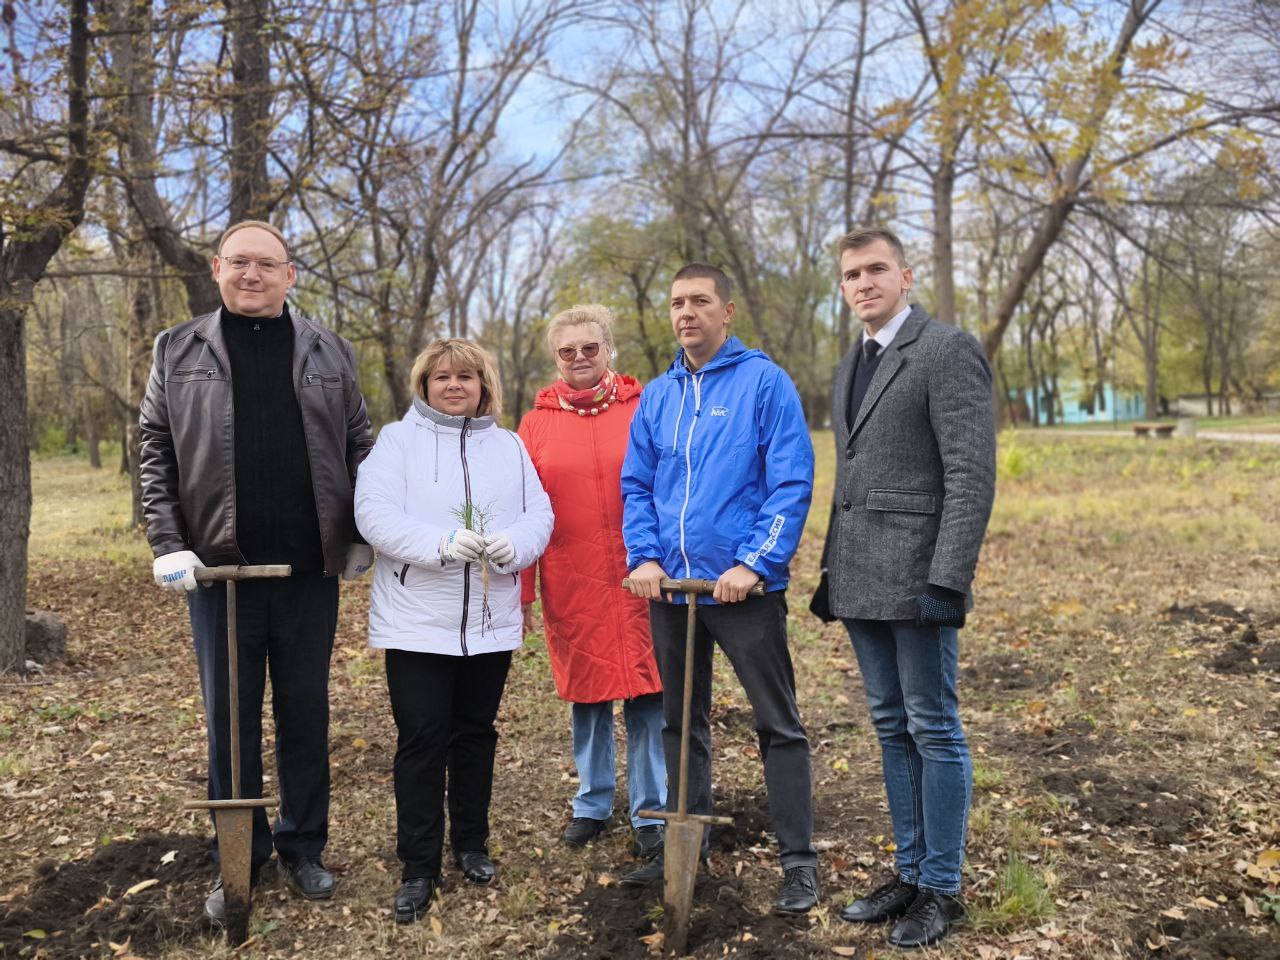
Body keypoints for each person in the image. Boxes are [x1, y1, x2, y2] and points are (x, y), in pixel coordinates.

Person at [139, 220, 374, 924]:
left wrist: (362, 530)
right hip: (218, 575)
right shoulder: (178, 349)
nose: (252, 274)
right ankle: (240, 854)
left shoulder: (331, 350)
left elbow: (360, 444)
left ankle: (305, 846)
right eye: (239, 262)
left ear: (290, 274)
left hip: (308, 572)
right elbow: (154, 446)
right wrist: (165, 541)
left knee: (305, 714)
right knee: (230, 721)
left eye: (266, 264)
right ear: (216, 268)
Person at [620, 263, 820, 916]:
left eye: (700, 301)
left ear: (725, 311)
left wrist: (755, 563)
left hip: (741, 593)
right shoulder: (658, 395)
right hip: (673, 591)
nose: (686, 313)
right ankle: (686, 851)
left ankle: (798, 863)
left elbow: (790, 480)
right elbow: (638, 486)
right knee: (681, 723)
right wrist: (645, 557)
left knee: (776, 722)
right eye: (676, 302)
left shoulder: (765, 383)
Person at [816, 227, 995, 949]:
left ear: (906, 275)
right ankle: (911, 870)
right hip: (860, 576)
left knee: (934, 726)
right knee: (891, 727)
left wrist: (948, 579)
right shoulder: (848, 365)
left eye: (876, 269)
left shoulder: (946, 350)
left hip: (920, 578)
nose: (863, 283)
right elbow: (851, 478)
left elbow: (970, 473)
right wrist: (831, 570)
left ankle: (943, 889)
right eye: (851, 274)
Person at [354, 338, 552, 923]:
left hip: (489, 621)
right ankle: (419, 866)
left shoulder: (509, 446)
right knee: (422, 741)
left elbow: (538, 512)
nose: (453, 386)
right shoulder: (396, 443)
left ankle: (471, 843)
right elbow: (375, 515)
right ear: (424, 385)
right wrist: (439, 546)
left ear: (483, 384)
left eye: (465, 376)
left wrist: (515, 546)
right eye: (441, 377)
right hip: (418, 622)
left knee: (475, 734)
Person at [517, 305, 666, 859]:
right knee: (588, 695)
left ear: (609, 351)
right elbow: (524, 511)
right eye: (567, 350)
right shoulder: (534, 425)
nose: (579, 358)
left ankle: (651, 806)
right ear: (554, 358)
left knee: (650, 690)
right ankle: (592, 801)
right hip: (571, 576)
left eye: (590, 347)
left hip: (643, 571)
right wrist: (524, 592)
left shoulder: (646, 406)